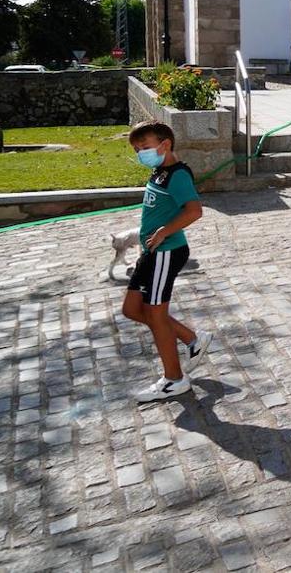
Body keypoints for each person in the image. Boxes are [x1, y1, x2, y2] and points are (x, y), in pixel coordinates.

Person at [123, 121, 213, 402]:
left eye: (145, 148)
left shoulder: (178, 175)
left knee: (156, 314)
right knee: (132, 309)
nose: (141, 154)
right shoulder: (159, 171)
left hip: (166, 252)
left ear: (165, 145)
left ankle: (174, 379)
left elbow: (194, 211)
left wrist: (164, 232)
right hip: (151, 252)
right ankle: (192, 339)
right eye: (137, 150)